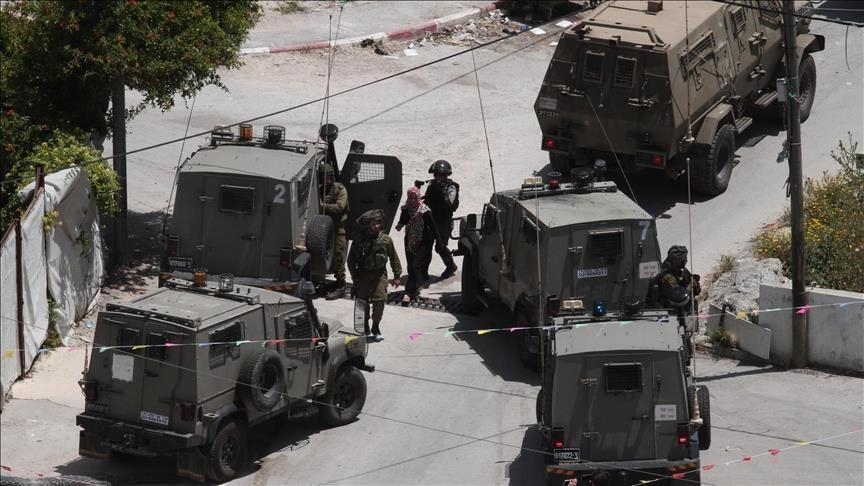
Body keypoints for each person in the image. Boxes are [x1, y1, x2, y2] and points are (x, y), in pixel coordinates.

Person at [347, 209, 402, 341]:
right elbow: (351, 260)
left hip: (379, 274)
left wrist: (397, 275)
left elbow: (393, 257)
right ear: (368, 225)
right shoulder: (359, 239)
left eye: (378, 223)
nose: (376, 226)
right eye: (373, 224)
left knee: (380, 301)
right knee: (362, 302)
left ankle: (375, 327)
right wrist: (354, 276)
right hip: (363, 274)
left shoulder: (386, 240)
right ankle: (365, 326)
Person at [395, 186, 438, 304]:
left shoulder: (424, 211)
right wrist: (399, 226)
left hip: (424, 241)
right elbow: (402, 221)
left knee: (415, 265)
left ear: (418, 197)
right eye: (410, 197)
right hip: (410, 240)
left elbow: (433, 227)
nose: (412, 200)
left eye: (414, 198)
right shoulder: (406, 209)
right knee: (411, 266)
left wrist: (439, 242)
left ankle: (408, 292)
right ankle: (417, 285)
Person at [422, 159, 459, 279]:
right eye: (437, 175)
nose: (438, 177)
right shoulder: (432, 185)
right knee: (426, 246)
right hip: (431, 219)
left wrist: (441, 192)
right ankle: (423, 272)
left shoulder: (451, 187)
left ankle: (451, 266)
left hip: (444, 221)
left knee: (440, 247)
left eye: (441, 175)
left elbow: (450, 204)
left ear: (446, 175)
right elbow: (426, 200)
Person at [319, 163, 350, 300]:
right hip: (323, 228)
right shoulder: (320, 189)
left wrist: (323, 206)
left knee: (338, 256)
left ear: (331, 177)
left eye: (327, 177)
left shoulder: (340, 190)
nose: (325, 179)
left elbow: (340, 207)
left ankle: (341, 284)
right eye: (323, 177)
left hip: (338, 228)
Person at [647, 245, 701, 310]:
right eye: (684, 258)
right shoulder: (666, 275)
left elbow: (697, 291)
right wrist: (690, 285)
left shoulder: (681, 271)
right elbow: (678, 295)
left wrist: (695, 282)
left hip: (684, 309)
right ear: (678, 260)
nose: (686, 260)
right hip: (670, 310)